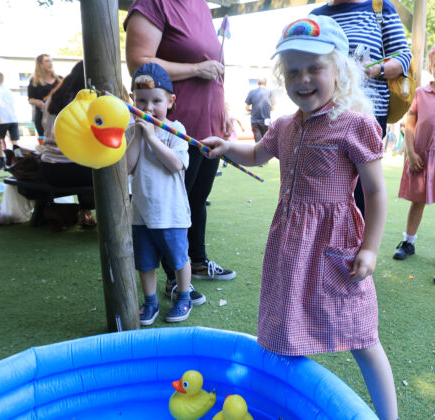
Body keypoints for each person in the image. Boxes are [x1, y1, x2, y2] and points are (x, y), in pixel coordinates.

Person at [202, 15, 398, 419]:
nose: (303, 79)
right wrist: (227, 147)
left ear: (339, 70)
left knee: (362, 336)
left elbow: (376, 192)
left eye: (314, 68)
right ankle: (285, 408)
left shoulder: (355, 125)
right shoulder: (284, 127)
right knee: (286, 330)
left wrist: (370, 249)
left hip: (337, 247)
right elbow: (256, 154)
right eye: (292, 71)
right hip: (291, 246)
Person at [124, 0, 235, 307]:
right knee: (170, 204)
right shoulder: (154, 3)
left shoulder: (200, 6)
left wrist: (223, 108)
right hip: (177, 130)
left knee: (197, 200)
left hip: (209, 128)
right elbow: (138, 62)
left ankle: (196, 262)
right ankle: (174, 278)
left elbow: (216, 72)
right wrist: (196, 69)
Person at [312, 0, 412, 217]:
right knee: (325, 182)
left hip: (367, 112)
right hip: (325, 112)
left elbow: (403, 57)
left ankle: (364, 238)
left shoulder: (380, 7)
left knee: (360, 187)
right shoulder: (316, 16)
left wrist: (377, 69)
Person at [125, 63, 195, 325]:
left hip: (171, 213)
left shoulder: (176, 130)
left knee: (178, 258)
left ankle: (184, 296)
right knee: (144, 262)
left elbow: (176, 164)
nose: (148, 107)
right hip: (141, 214)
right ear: (132, 100)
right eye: (141, 101)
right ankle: (151, 301)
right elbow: (127, 167)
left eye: (156, 101)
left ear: (170, 101)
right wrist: (139, 136)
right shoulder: (132, 130)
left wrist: (153, 137)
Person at [393, 41, 435, 269]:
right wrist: (411, 153)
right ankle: (408, 242)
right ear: (430, 67)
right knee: (417, 201)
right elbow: (410, 124)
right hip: (421, 156)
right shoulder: (421, 93)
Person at [39, 61, 95, 227]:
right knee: (97, 162)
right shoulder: (89, 102)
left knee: (82, 159)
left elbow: (44, 127)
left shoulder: (53, 98)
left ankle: (85, 212)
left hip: (49, 169)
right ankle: (88, 212)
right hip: (78, 171)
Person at [27, 54, 61, 138]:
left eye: (51, 61)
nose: (50, 63)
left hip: (59, 115)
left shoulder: (59, 79)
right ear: (40, 64)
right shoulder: (34, 81)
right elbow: (30, 99)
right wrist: (38, 102)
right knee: (45, 140)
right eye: (47, 61)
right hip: (42, 116)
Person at [244, 77, 273, 143]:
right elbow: (272, 108)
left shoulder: (251, 92)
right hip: (266, 121)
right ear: (265, 84)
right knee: (267, 141)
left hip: (255, 121)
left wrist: (252, 111)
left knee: (258, 142)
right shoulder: (270, 92)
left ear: (258, 83)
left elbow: (247, 108)